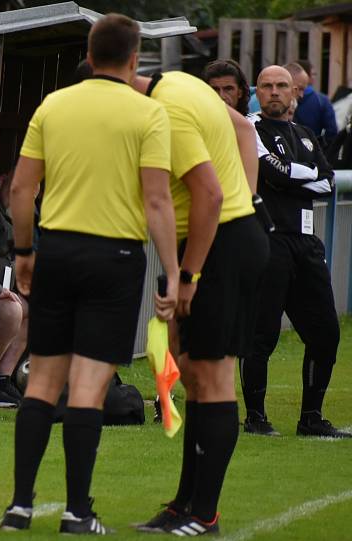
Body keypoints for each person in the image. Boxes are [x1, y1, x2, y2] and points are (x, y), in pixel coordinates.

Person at [0, 14, 179, 535]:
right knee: (88, 388)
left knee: (42, 383)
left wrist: (25, 251)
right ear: (133, 58)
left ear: (89, 50)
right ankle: (78, 511)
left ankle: (20, 506)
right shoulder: (148, 113)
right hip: (115, 259)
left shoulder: (54, 105)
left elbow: (20, 189)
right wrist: (173, 272)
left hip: (55, 251)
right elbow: (157, 198)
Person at [131, 68, 268, 536]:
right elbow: (244, 128)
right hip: (222, 235)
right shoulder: (179, 81)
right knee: (191, 374)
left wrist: (186, 275)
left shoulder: (167, 107)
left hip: (220, 242)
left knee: (212, 377)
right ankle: (184, 504)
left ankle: (204, 513)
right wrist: (251, 199)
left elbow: (208, 194)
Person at [242, 65, 349, 439]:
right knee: (262, 334)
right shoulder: (250, 129)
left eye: (281, 86)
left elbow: (329, 182)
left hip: (306, 243)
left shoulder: (304, 134)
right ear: (257, 91)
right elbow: (275, 175)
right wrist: (303, 176)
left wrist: (296, 175)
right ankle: (255, 416)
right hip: (269, 239)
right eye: (267, 85)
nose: (274, 91)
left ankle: (312, 417)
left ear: (295, 93)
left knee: (326, 334)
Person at [0, 170, 28, 408]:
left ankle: (3, 377)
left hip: (3, 288)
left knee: (31, 309)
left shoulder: (12, 212)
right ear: (1, 181)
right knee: (12, 312)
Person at [290, 60, 337, 147]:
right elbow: (332, 131)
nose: (300, 95)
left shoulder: (275, 98)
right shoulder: (321, 100)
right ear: (305, 76)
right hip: (313, 149)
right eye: (313, 74)